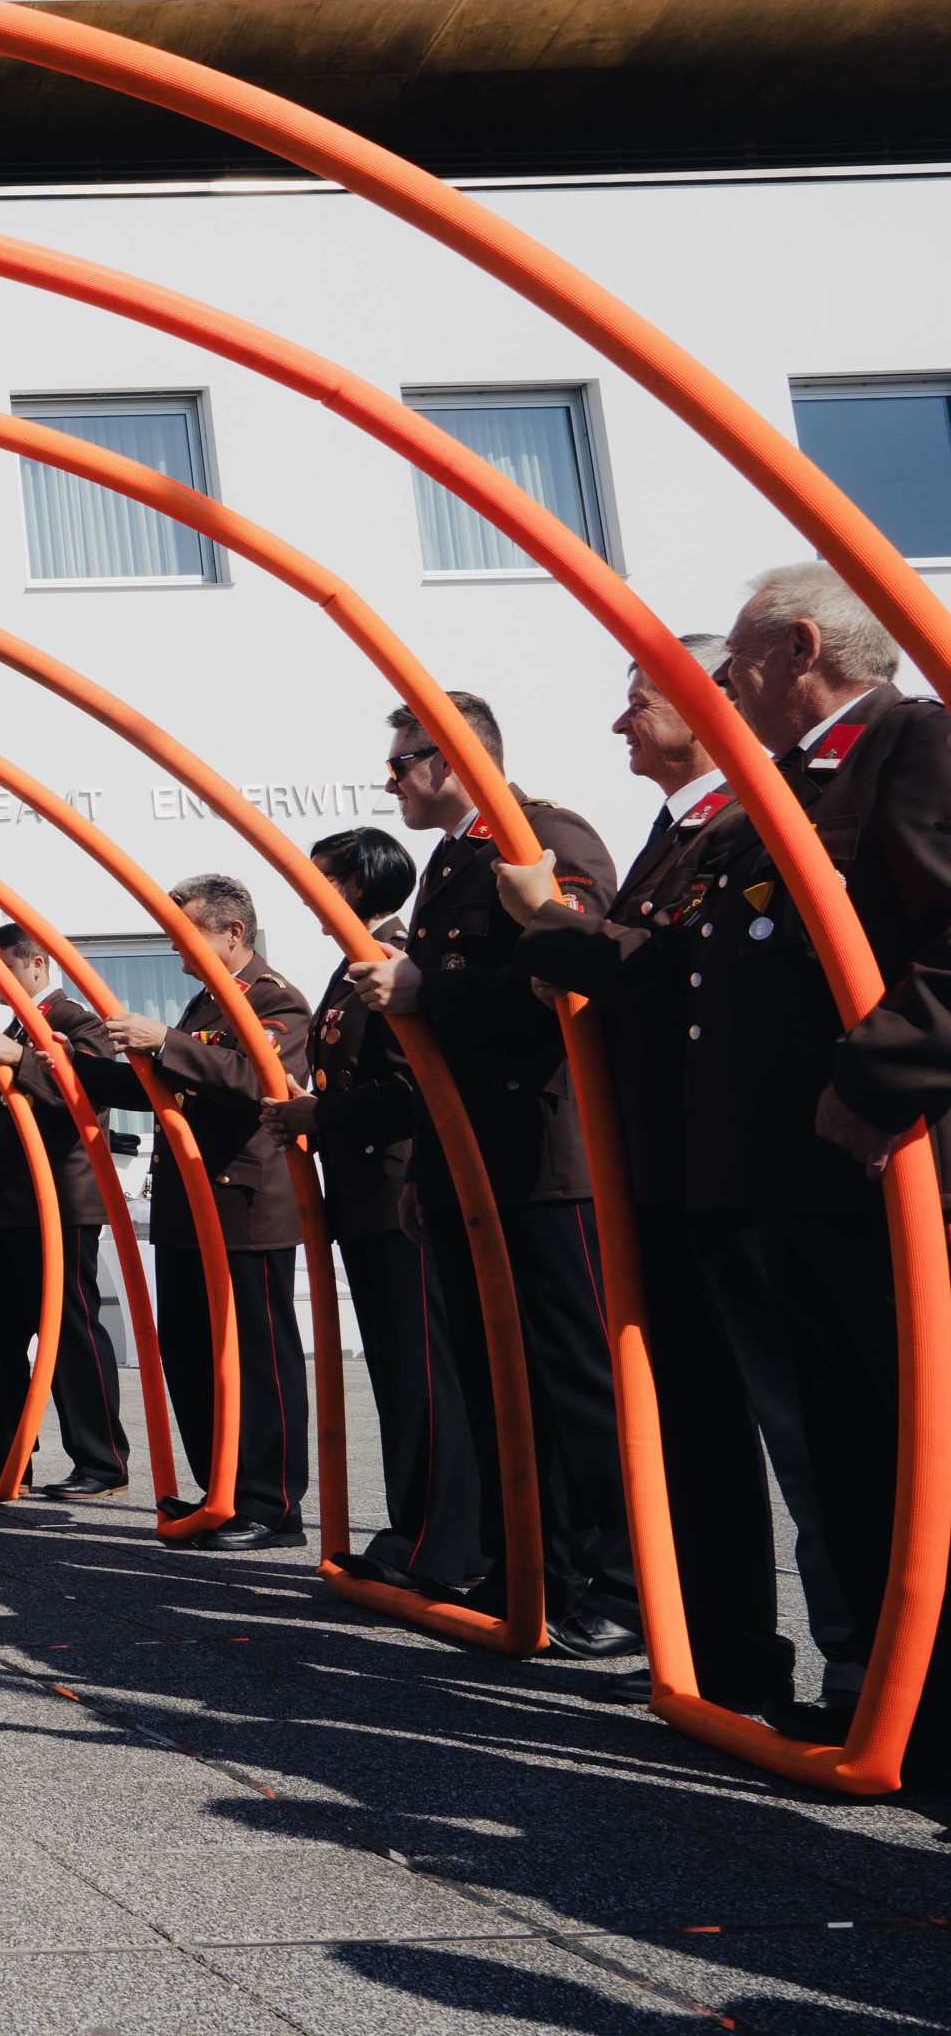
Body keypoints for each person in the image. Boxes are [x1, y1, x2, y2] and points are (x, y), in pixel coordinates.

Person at [660, 564, 951, 1754]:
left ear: (797, 645)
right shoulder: (788, 783)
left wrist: (875, 1076)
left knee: (908, 1429)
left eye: (735, 657)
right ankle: (896, 1691)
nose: (725, 680)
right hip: (795, 1171)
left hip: (885, 1157)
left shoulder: (908, 746)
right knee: (847, 1437)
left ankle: (922, 1705)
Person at [497, 644, 792, 1710]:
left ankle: (836, 1665)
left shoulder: (748, 820)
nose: (621, 724)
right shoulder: (674, 834)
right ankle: (724, 1658)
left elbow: (665, 971)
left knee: (792, 1424)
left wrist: (549, 923)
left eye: (640, 703)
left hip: (734, 1166)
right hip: (665, 1165)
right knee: (696, 1424)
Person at [359, 692, 635, 1656]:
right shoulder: (450, 863)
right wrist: (428, 1170)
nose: (390, 781)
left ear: (455, 759)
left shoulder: (540, 834)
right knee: (493, 1378)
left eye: (402, 764)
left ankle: (617, 1584)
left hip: (541, 1160)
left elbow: (558, 982)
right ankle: (533, 1574)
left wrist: (429, 987)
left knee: (573, 1379)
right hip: (470, 1159)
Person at [77, 874, 312, 1550]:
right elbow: (166, 1088)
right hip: (191, 1209)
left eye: (187, 935)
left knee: (259, 1360)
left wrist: (164, 1045)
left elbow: (255, 1079)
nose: (175, 950)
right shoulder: (205, 1006)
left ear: (232, 933)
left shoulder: (272, 999)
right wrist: (80, 1064)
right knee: (192, 1355)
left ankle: (271, 1505)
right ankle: (223, 1489)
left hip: (242, 1210)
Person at [283, 827, 484, 1601]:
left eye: (323, 878)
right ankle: (416, 1528)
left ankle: (445, 1543)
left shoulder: (395, 959)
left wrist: (319, 1117)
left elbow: (410, 1089)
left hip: (400, 1190)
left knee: (429, 1375)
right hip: (366, 1198)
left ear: (359, 886)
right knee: (402, 1376)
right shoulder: (352, 965)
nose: (309, 891)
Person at [0, 925, 132, 1498]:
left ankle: (101, 1460)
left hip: (58, 1204)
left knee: (71, 1332)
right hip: (7, 1208)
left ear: (35, 964)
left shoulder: (72, 1020)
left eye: (2, 968)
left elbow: (87, 1092)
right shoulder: (18, 1025)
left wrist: (23, 1059)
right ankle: (3, 1455)